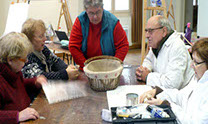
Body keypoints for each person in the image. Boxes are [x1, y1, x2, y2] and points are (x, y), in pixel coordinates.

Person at [140, 38, 208, 123]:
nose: (191, 65)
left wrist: (168, 106)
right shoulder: (198, 79)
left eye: (196, 62)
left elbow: (193, 122)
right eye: (192, 60)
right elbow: (181, 97)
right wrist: (158, 92)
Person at [0, 32, 47, 123]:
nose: (26, 61)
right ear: (10, 60)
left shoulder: (14, 71)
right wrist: (17, 116)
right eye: (24, 59)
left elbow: (18, 84)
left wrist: (35, 82)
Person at [136, 15, 194, 89]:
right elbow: (149, 60)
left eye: (150, 31)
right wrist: (143, 70)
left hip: (180, 96)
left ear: (164, 31)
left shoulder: (177, 47)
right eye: (146, 31)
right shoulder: (157, 43)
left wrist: (147, 76)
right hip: (163, 91)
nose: (147, 35)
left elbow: (172, 84)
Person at [69, 0, 129, 70]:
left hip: (109, 67)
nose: (95, 17)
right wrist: (86, 66)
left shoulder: (113, 22)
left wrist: (114, 65)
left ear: (102, 9)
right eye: (91, 13)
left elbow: (123, 45)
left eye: (98, 12)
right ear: (86, 11)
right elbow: (73, 47)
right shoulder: (80, 21)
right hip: (86, 66)